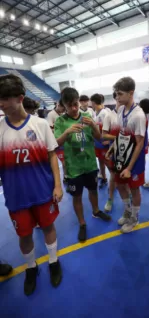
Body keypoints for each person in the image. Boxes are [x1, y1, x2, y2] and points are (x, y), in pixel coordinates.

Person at [0, 74, 63, 296]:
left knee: (48, 227)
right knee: (24, 235)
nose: (1, 104)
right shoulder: (0, 129)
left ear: (20, 97)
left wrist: (57, 184)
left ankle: (54, 262)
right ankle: (31, 267)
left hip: (43, 192)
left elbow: (52, 155)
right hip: (16, 198)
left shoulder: (41, 124)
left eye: (5, 99)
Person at [54, 87, 111, 242]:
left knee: (93, 190)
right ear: (63, 105)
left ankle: (96, 210)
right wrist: (67, 133)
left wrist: (93, 126)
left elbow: (100, 139)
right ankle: (82, 223)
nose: (74, 108)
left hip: (90, 164)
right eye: (69, 105)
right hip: (74, 168)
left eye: (76, 104)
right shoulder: (60, 121)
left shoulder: (87, 116)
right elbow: (55, 144)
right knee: (77, 196)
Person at [109, 77, 146, 233]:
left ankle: (134, 218)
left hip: (134, 161)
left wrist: (130, 168)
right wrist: (112, 148)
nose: (117, 97)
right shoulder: (121, 111)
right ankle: (127, 210)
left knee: (135, 189)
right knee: (119, 184)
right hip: (121, 155)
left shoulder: (138, 115)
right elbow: (119, 134)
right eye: (116, 94)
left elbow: (139, 143)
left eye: (119, 94)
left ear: (131, 93)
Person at [102, 92, 120, 212]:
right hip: (115, 152)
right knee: (113, 176)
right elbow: (104, 135)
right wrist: (119, 139)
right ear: (115, 99)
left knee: (126, 176)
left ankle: (129, 200)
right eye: (118, 96)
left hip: (128, 153)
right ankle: (110, 199)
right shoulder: (109, 116)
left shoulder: (132, 115)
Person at [90, 93, 110, 188]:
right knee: (101, 161)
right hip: (97, 143)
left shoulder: (104, 113)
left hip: (104, 143)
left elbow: (110, 127)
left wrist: (109, 141)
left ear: (93, 102)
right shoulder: (95, 113)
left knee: (108, 163)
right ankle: (104, 178)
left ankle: (115, 180)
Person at [46, 100, 66, 182]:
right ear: (58, 105)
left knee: (66, 161)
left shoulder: (64, 114)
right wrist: (59, 130)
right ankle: (63, 178)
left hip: (65, 140)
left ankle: (66, 176)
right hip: (56, 142)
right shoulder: (51, 114)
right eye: (62, 107)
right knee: (63, 161)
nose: (63, 109)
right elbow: (50, 129)